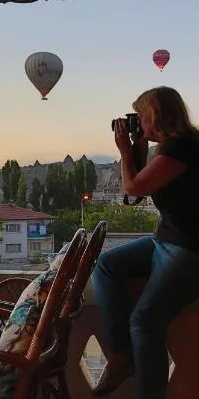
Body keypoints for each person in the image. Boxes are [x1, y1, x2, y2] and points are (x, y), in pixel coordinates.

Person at [91, 86, 199, 399]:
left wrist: (126, 152)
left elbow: (134, 187)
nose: (138, 122)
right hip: (166, 241)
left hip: (187, 250)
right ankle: (122, 355)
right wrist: (137, 152)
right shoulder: (169, 147)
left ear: (156, 116)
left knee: (145, 322)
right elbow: (134, 198)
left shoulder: (182, 149)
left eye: (141, 116)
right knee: (107, 265)